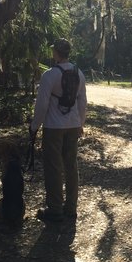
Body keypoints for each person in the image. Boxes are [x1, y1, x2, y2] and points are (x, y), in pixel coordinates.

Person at [29, 38, 87, 222]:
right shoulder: (80, 73)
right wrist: (80, 124)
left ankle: (55, 208)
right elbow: (82, 102)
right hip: (73, 125)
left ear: (56, 53)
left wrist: (34, 126)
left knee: (53, 167)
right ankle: (71, 207)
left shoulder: (49, 75)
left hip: (54, 127)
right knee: (71, 166)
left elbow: (42, 104)